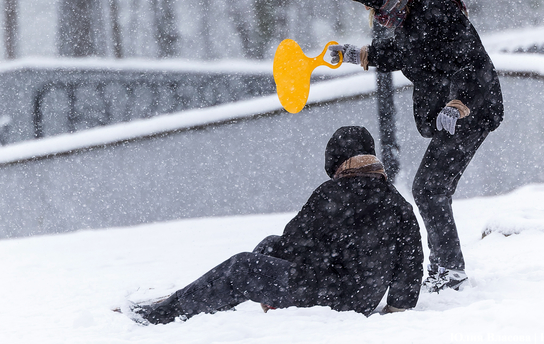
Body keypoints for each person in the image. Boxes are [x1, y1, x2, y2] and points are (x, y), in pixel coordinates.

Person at [123, 126, 423, 324]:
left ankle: (168, 313)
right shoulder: (396, 201)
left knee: (243, 267)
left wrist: (271, 281)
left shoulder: (332, 193)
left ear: (336, 161)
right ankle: (209, 302)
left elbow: (295, 243)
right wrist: (397, 306)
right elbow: (411, 260)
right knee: (268, 245)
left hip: (334, 297)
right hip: (361, 296)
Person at [329, 0, 503, 293]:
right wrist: (359, 54)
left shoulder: (429, 5)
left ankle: (449, 271)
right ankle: (444, 268)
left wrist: (459, 103)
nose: (364, 7)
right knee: (431, 188)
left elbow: (470, 58)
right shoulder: (409, 4)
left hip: (472, 107)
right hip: (455, 109)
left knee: (429, 187)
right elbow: (410, 53)